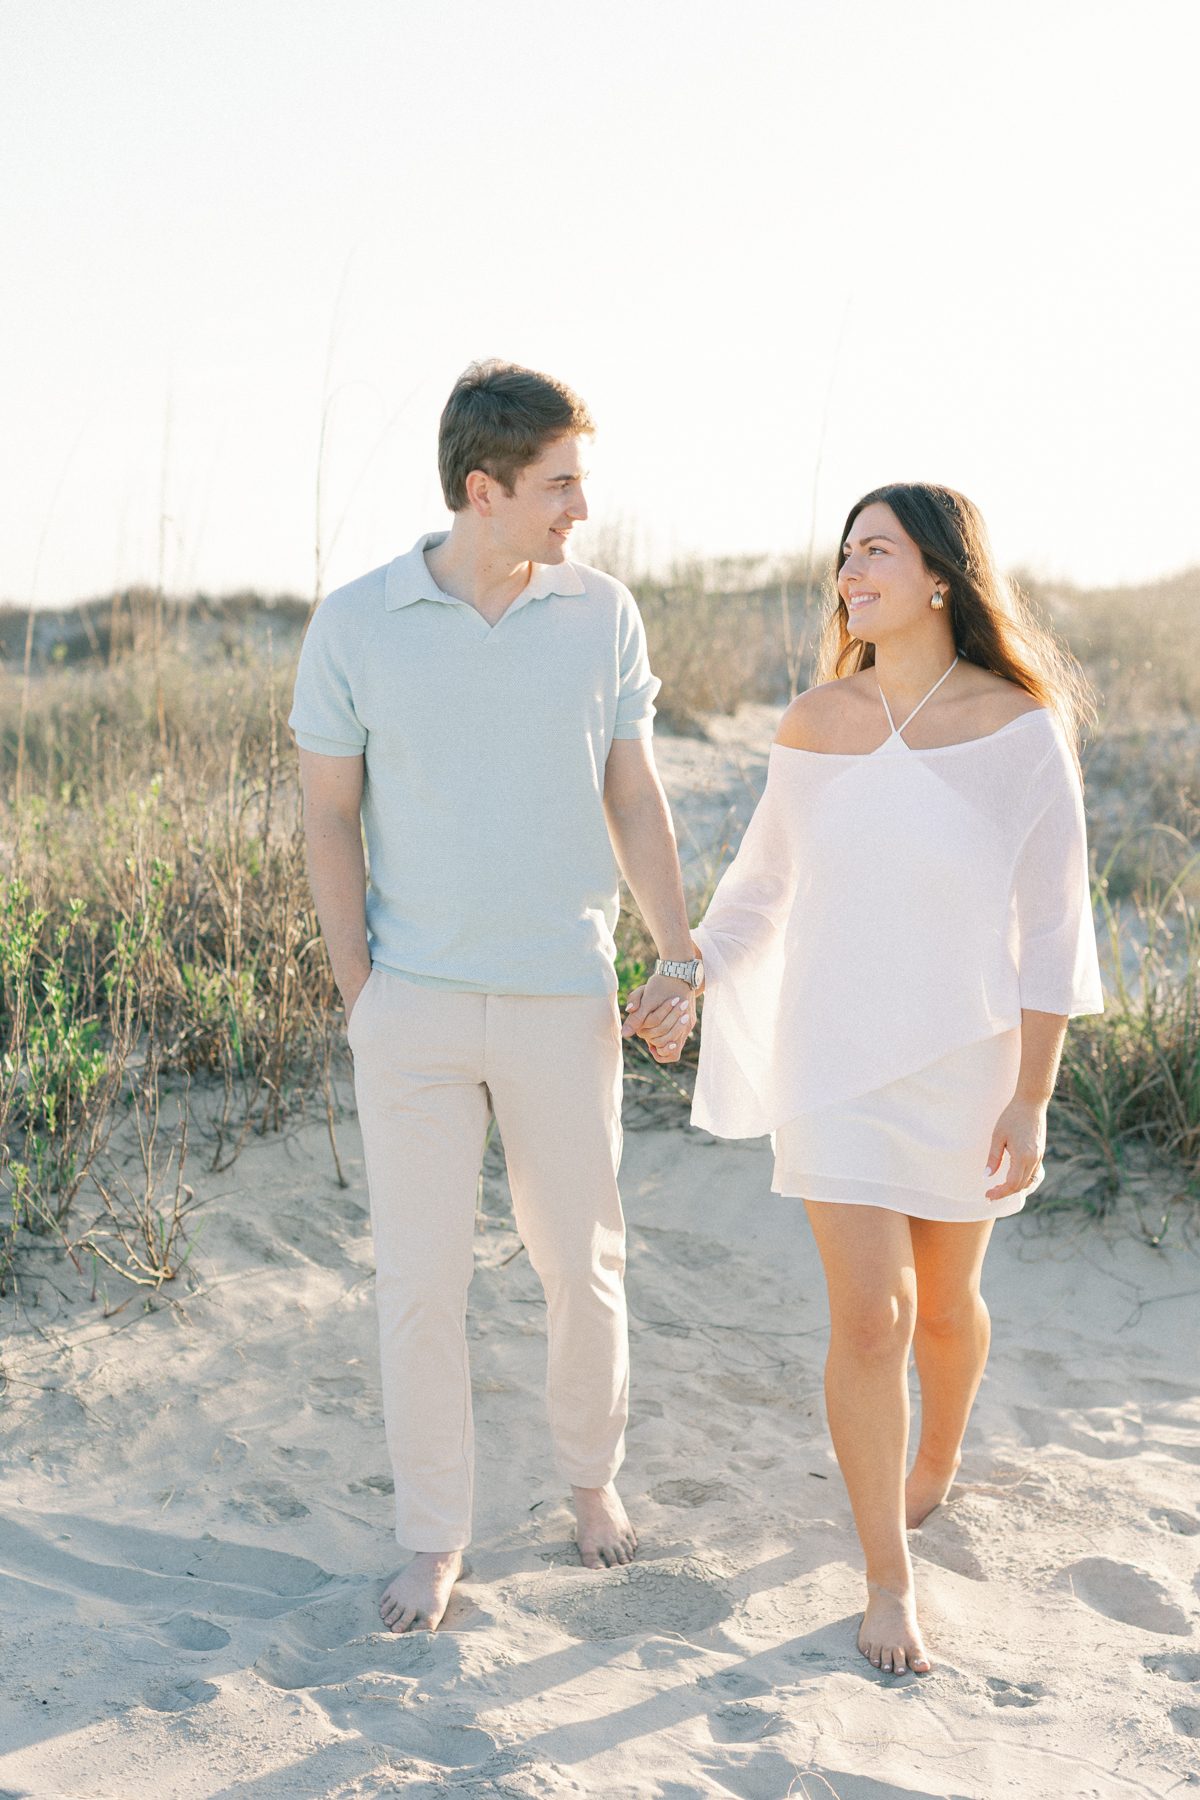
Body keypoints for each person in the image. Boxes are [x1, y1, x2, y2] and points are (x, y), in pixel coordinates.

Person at [632, 483, 1103, 1675]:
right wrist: (691, 974)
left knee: (944, 1311)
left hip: (967, 1064)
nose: (851, 570)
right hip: (831, 1058)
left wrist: (1033, 1095)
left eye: (876, 550)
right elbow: (759, 891)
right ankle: (887, 1579)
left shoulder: (1020, 727)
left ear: (942, 575)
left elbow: (1053, 932)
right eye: (844, 553)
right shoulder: (814, 721)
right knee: (873, 1314)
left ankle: (937, 1454)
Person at [290, 360, 703, 1634]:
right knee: (421, 1285)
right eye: (560, 484)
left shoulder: (603, 614)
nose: (581, 507)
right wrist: (364, 989)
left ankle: (591, 1483)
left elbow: (631, 796)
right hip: (411, 1009)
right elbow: (327, 816)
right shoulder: (355, 622)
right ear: (484, 490)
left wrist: (675, 950)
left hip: (559, 1000)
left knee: (581, 1262)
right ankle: (435, 1540)